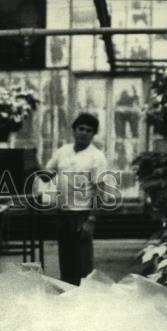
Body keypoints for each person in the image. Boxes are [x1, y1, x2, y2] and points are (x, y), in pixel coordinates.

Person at [36, 113, 109, 285]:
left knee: (83, 262)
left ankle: (84, 301)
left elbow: (100, 191)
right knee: (66, 260)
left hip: (83, 214)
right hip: (63, 214)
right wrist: (33, 161)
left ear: (93, 134)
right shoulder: (62, 151)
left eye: (89, 131)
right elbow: (46, 176)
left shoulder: (97, 157)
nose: (84, 133)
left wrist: (91, 219)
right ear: (74, 131)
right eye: (81, 129)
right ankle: (67, 298)